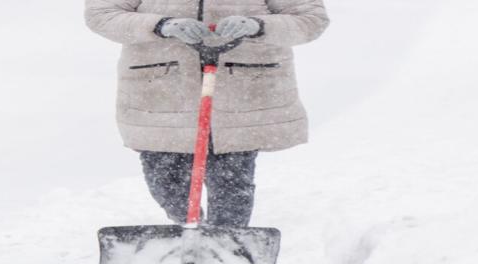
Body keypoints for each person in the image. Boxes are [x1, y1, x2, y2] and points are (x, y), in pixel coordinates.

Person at [84, 1, 330, 227]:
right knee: (166, 180)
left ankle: (227, 246)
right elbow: (102, 15)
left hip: (243, 93)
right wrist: (162, 25)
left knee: (231, 183)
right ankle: (191, 228)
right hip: (162, 93)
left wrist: (257, 25)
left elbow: (310, 19)